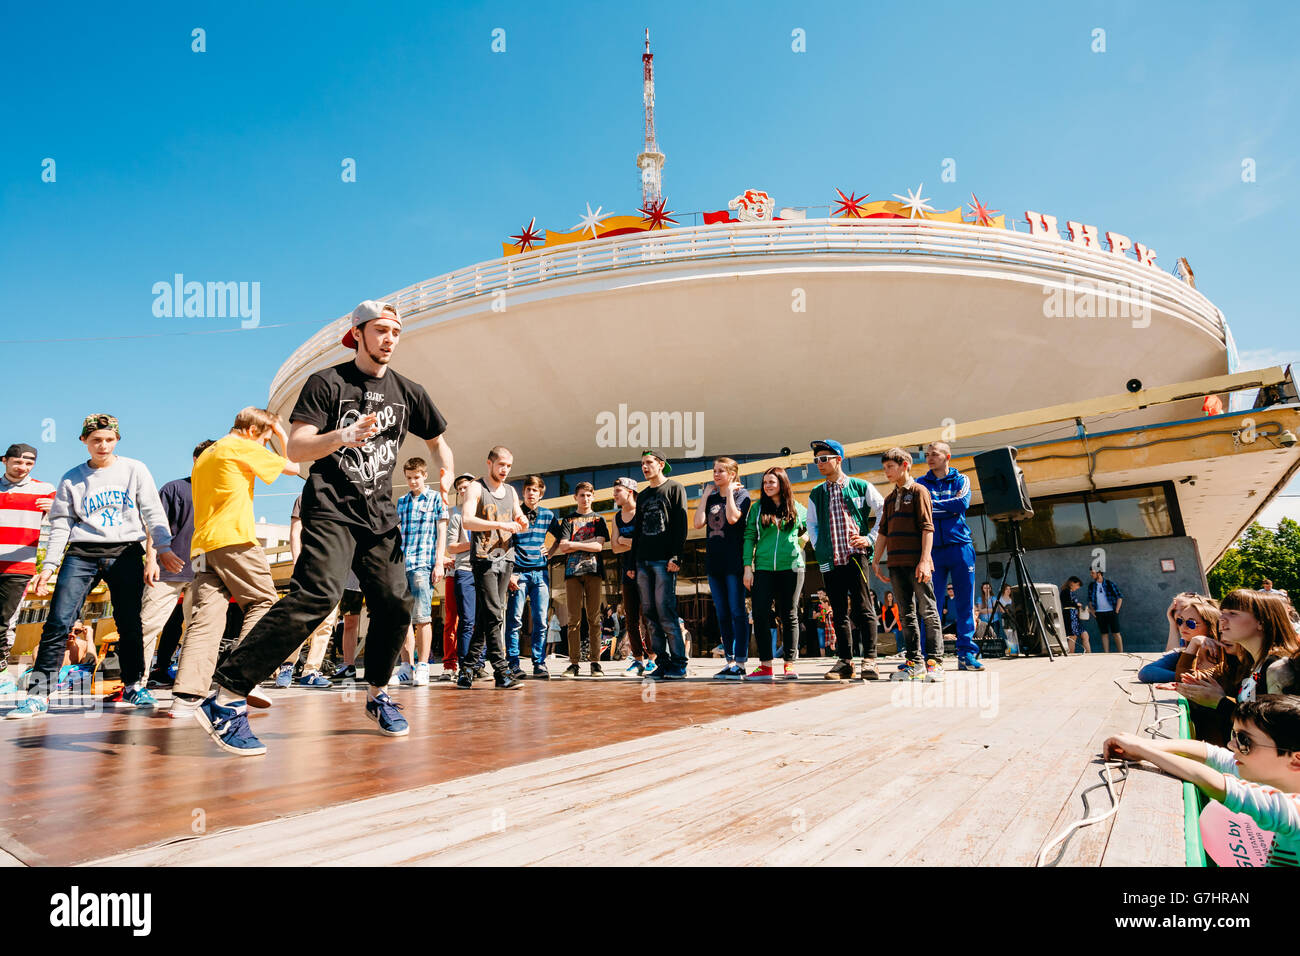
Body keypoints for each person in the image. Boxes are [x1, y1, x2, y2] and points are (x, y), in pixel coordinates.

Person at [197, 299, 455, 754]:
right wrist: (342, 436)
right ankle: (226, 695)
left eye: (395, 332)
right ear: (357, 334)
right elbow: (295, 449)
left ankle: (378, 693)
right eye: (380, 331)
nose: (389, 339)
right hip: (331, 506)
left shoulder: (409, 391)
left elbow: (438, 442)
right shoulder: (327, 382)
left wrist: (447, 474)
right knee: (318, 596)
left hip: (379, 515)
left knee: (397, 603)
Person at [8, 416, 184, 720]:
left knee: (130, 622)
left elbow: (153, 512)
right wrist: (49, 566)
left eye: (108, 439)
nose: (103, 445)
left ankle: (132, 685)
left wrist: (164, 548)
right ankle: (38, 696)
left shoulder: (135, 469)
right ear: (84, 441)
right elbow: (61, 524)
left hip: (126, 551)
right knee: (58, 621)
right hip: (81, 553)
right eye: (96, 440)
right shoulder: (72, 478)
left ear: (116, 440)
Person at [171, 408, 299, 718]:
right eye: (265, 437)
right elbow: (294, 467)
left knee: (205, 618)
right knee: (264, 600)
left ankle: (186, 695)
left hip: (202, 546)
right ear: (255, 432)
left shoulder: (209, 453)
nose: (267, 442)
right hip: (235, 539)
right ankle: (243, 675)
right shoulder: (243, 446)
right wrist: (281, 435)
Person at [1104, 696, 1300, 867]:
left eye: (1244, 741)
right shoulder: (1275, 772)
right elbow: (1211, 754)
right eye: (1234, 735)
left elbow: (1218, 785)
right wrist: (1147, 744)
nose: (1232, 745)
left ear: (1296, 759)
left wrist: (1144, 752)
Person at [1175, 589, 1300, 744]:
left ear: (1261, 622)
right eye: (1222, 612)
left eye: (1233, 613)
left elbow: (1276, 729)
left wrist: (1219, 702)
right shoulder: (1251, 663)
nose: (1221, 619)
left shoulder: (1278, 668)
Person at [806, 439, 884, 680]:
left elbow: (883, 510)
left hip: (856, 557)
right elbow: (812, 524)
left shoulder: (861, 486)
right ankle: (845, 662)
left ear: (838, 459)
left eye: (823, 458)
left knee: (863, 607)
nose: (818, 463)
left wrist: (870, 538)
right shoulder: (816, 493)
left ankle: (870, 660)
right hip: (831, 560)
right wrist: (819, 548)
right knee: (837, 611)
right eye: (816, 459)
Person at [140, 440, 214, 687]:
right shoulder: (174, 488)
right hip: (167, 568)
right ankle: (135, 681)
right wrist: (151, 560)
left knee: (199, 629)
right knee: (148, 625)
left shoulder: (221, 491)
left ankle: (189, 683)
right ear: (196, 460)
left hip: (203, 571)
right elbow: (155, 526)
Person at [871, 446, 943, 683]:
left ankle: (935, 663)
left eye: (890, 467)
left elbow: (927, 528)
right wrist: (876, 560)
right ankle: (915, 663)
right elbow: (882, 532)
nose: (886, 472)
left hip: (917, 564)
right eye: (884, 468)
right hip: (896, 565)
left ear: (905, 465)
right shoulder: (890, 498)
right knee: (907, 615)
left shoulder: (920, 491)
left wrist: (924, 560)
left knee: (929, 612)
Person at [457, 447, 527, 690]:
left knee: (487, 616)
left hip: (506, 557)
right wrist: (499, 523)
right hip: (484, 557)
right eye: (501, 465)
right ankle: (501, 670)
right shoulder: (477, 487)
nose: (505, 469)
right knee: (495, 613)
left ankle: (467, 668)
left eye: (509, 465)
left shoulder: (510, 491)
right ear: (489, 463)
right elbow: (467, 520)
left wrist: (522, 521)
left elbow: (518, 515)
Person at [917, 442, 982, 670]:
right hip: (932, 550)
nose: (929, 458)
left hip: (961, 547)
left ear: (947, 456)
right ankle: (928, 656)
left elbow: (961, 504)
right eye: (927, 455)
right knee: (930, 605)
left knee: (965, 603)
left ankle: (967, 655)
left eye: (934, 454)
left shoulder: (961, 480)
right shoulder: (920, 483)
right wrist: (947, 507)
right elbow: (920, 512)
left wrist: (932, 506)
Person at [742, 466, 806, 681]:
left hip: (792, 567)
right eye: (765, 482)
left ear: (782, 483)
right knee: (760, 614)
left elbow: (811, 529)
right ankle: (765, 666)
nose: (767, 486)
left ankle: (789, 664)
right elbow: (749, 536)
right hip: (763, 567)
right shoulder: (757, 508)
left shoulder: (796, 507)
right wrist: (747, 568)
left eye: (772, 482)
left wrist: (800, 543)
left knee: (789, 614)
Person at [634, 451, 689, 680]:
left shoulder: (675, 488)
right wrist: (632, 562)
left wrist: (676, 556)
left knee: (666, 612)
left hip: (663, 561)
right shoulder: (643, 495)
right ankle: (662, 663)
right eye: (642, 464)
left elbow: (681, 524)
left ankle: (679, 663)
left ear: (661, 464)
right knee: (649, 614)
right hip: (643, 562)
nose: (645, 467)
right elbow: (637, 531)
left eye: (649, 463)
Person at [695, 458, 752, 680]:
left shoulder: (742, 495)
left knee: (737, 612)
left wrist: (729, 493)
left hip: (734, 562)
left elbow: (732, 518)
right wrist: (704, 496)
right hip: (714, 563)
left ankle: (741, 662)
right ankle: (729, 661)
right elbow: (698, 523)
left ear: (732, 474)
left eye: (721, 471)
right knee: (722, 613)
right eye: (714, 471)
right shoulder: (710, 498)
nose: (716, 474)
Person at [0, 443, 55, 672]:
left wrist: (55, 508)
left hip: (19, 566)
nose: (23, 467)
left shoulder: (44, 490)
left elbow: (68, 519)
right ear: (5, 461)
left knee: (4, 621)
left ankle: (1, 665)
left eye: (29, 463)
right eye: (18, 462)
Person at [394, 456, 448, 687]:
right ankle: (406, 666)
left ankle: (423, 665)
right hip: (401, 564)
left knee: (423, 617)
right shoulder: (402, 501)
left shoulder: (436, 499)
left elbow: (442, 533)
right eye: (409, 478)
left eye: (416, 477)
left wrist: (439, 563)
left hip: (424, 564)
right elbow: (396, 535)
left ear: (425, 475)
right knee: (403, 619)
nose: (412, 481)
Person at [508, 475, 561, 679]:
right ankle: (513, 663)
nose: (531, 493)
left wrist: (551, 550)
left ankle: (539, 663)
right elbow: (505, 543)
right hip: (518, 573)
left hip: (540, 574)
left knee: (540, 621)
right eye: (528, 490)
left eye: (535, 490)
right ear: (523, 492)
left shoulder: (547, 515)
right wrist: (511, 572)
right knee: (514, 621)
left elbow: (561, 535)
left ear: (541, 494)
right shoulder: (515, 514)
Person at [559, 481, 611, 677]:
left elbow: (599, 547)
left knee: (594, 619)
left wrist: (574, 544)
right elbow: (563, 547)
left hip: (594, 572)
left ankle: (595, 662)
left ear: (593, 497)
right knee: (573, 620)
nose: (585, 499)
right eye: (582, 495)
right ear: (576, 497)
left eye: (589, 495)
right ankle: (574, 663)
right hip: (572, 573)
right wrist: (585, 544)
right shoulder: (568, 520)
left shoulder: (599, 520)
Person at [611, 476, 655, 677]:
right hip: (627, 572)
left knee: (648, 617)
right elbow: (614, 547)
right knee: (631, 618)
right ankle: (637, 660)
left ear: (630, 491)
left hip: (645, 571)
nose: (614, 495)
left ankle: (653, 659)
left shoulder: (643, 512)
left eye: (617, 491)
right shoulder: (616, 517)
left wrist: (623, 539)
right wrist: (630, 541)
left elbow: (647, 543)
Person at [442, 474, 477, 681]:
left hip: (476, 573)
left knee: (471, 620)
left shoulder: (481, 515)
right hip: (455, 573)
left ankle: (474, 663)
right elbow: (450, 547)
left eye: (466, 487)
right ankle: (449, 664)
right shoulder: (454, 517)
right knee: (451, 620)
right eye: (460, 489)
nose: (463, 491)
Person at [1137, 591, 1208, 683]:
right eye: (1174, 610)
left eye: (1183, 608)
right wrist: (1173, 623)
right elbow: (1146, 672)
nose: (1178, 613)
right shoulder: (1185, 642)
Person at [1087, 568, 1124, 653]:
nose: (1091, 575)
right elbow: (1089, 600)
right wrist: (1093, 611)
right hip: (1099, 613)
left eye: (1093, 573)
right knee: (1104, 633)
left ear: (1099, 573)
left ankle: (1121, 652)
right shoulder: (1092, 585)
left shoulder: (1109, 584)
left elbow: (1119, 597)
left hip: (1111, 611)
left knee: (1116, 633)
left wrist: (1117, 610)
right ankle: (1106, 653)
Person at [1060, 576, 1088, 654]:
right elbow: (1067, 603)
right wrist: (1077, 604)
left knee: (1085, 635)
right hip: (1070, 615)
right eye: (1077, 585)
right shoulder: (1065, 591)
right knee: (1073, 636)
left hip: (1074, 616)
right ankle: (1070, 654)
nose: (1078, 587)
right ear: (1072, 583)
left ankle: (1089, 654)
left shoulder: (1070, 591)